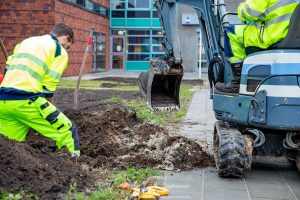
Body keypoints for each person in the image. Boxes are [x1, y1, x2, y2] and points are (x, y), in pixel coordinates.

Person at [0, 23, 80, 158]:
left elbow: (8, 69)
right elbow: (49, 87)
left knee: (10, 149)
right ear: (66, 38)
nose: (67, 50)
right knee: (68, 131)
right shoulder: (58, 51)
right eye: (68, 47)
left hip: (3, 102)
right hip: (26, 100)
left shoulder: (25, 42)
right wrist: (49, 108)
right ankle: (77, 171)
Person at [215, 0, 300, 93]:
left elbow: (251, 11)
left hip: (271, 36)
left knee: (231, 32)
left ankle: (237, 82)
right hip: (290, 35)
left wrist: (241, 8)